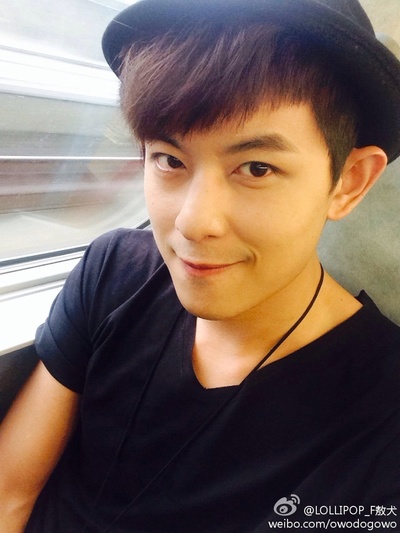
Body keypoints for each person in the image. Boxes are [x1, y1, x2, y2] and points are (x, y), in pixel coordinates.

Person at [1, 0, 400, 531]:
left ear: (348, 182)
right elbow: (9, 493)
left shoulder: (382, 418)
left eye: (256, 168)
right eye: (170, 160)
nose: (193, 222)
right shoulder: (114, 271)